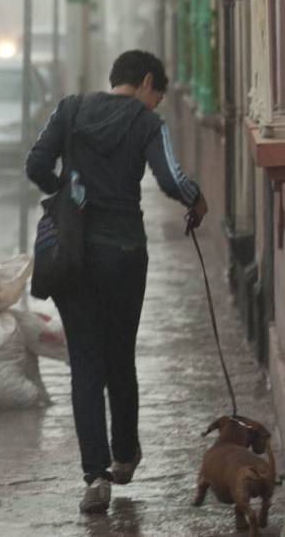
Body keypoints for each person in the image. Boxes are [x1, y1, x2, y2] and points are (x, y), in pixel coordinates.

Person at [25, 50, 208, 514]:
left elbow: (35, 165)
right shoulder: (147, 123)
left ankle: (96, 477)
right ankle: (125, 454)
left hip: (72, 255)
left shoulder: (70, 109)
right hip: (123, 254)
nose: (154, 105)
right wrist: (196, 201)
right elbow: (170, 177)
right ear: (148, 82)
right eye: (156, 97)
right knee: (119, 354)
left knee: (85, 361)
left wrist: (65, 192)